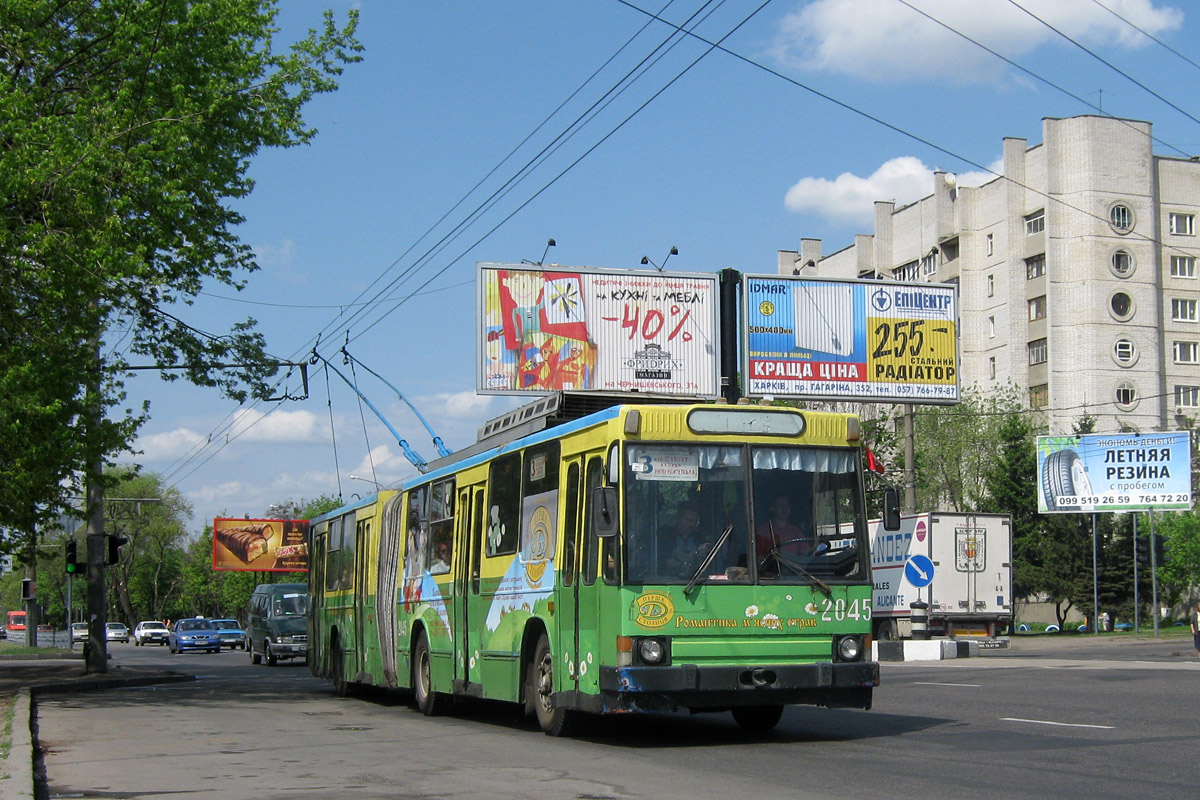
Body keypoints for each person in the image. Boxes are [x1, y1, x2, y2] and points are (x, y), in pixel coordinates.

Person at [755, 495, 811, 564]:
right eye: (781, 505)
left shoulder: (796, 530)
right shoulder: (763, 531)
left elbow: (806, 554)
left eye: (787, 505)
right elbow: (759, 558)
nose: (785, 508)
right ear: (772, 509)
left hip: (794, 572)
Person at [665, 503, 713, 576]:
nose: (693, 525)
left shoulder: (700, 539)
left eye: (695, 521)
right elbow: (665, 562)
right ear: (679, 518)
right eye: (689, 520)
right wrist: (696, 552)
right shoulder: (665, 538)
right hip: (670, 580)